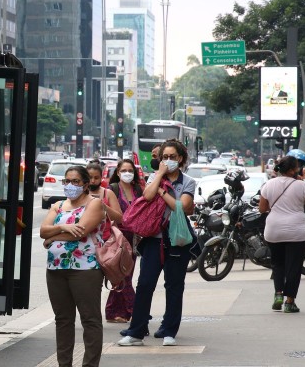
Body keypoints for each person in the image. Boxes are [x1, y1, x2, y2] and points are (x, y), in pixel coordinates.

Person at [118, 139, 196, 347]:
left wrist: (163, 192)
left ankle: (169, 330)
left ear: (180, 159)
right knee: (144, 284)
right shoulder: (154, 177)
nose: (167, 161)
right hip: (153, 239)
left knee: (174, 286)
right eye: (164, 157)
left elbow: (183, 207)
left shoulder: (187, 182)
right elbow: (147, 195)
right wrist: (160, 176)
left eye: (172, 157)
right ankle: (137, 330)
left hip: (177, 240)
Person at [40, 166, 105, 367]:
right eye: (67, 181)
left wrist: (54, 237)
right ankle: (64, 364)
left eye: (76, 181)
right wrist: (62, 227)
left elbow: (81, 232)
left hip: (85, 269)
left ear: (86, 184)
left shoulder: (95, 204)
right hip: (56, 269)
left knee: (90, 320)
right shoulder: (58, 205)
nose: (70, 185)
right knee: (63, 320)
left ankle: (90, 364)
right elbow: (43, 231)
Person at [259, 156, 305, 313]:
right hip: (297, 231)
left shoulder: (269, 184)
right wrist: (301, 182)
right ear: (292, 170)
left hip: (274, 230)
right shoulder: (300, 184)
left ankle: (278, 294)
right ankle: (289, 302)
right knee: (294, 267)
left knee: (277, 264)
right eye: (297, 167)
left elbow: (262, 208)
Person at [104, 159, 143, 324]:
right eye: (124, 170)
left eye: (130, 170)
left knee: (127, 274)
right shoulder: (112, 189)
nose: (127, 173)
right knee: (121, 275)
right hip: (117, 237)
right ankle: (136, 309)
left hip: (134, 238)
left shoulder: (138, 190)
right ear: (118, 173)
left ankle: (116, 312)